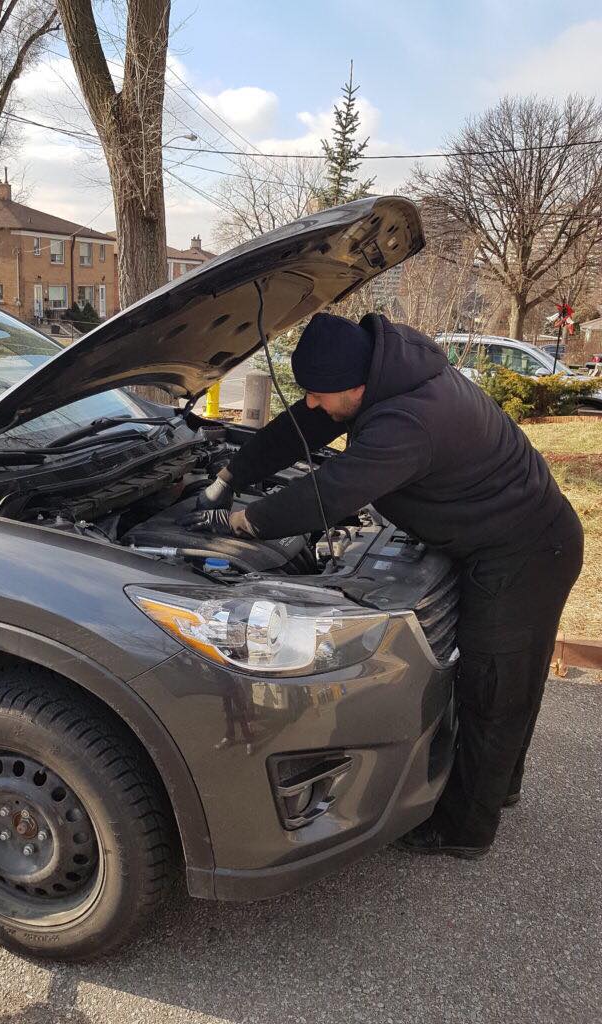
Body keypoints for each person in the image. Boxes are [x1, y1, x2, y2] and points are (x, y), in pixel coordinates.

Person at [182, 311, 583, 859]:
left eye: (321, 394)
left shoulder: (411, 418)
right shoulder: (376, 374)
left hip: (528, 549)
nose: (315, 403)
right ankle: (496, 787)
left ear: (356, 386)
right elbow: (299, 428)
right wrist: (229, 478)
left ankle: (463, 831)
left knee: (494, 687)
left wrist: (242, 524)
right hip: (495, 537)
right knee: (505, 682)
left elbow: (330, 494)